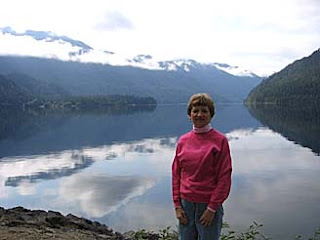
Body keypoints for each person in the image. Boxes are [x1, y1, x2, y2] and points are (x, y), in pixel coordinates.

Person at [172, 93, 232, 240]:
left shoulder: (220, 141)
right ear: (189, 115)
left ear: (211, 115)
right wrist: (177, 206)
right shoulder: (183, 141)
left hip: (208, 205)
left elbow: (224, 177)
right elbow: (176, 175)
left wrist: (212, 208)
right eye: (195, 111)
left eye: (204, 111)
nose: (199, 114)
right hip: (186, 205)